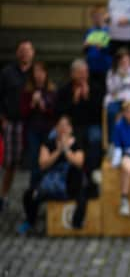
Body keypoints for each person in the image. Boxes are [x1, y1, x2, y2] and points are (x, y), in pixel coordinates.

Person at [20, 115, 87, 234]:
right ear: (56, 128)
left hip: (69, 185)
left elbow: (79, 162)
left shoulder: (77, 143)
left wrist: (66, 150)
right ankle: (31, 221)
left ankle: (77, 222)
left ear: (71, 128)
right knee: (28, 195)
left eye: (66, 126)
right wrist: (58, 151)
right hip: (50, 184)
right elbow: (43, 164)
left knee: (82, 192)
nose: (63, 129)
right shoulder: (48, 143)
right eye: (60, 126)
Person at [56, 59, 103, 198]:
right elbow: (60, 113)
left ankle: (93, 176)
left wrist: (88, 97)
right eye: (80, 73)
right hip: (73, 126)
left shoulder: (95, 88)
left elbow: (99, 113)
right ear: (72, 74)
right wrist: (74, 101)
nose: (83, 75)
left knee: (96, 138)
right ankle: (72, 181)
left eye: (85, 72)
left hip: (92, 124)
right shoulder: (65, 90)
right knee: (73, 141)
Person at [0, 40, 35, 212]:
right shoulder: (7, 73)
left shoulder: (36, 73)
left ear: (33, 54)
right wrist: (2, 118)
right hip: (12, 123)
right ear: (17, 53)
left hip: (31, 123)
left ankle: (30, 198)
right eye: (22, 50)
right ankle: (4, 196)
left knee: (32, 162)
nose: (25, 54)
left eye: (28, 51)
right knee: (10, 164)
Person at [19, 61, 57, 186]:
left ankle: (46, 187)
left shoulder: (52, 90)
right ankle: (34, 190)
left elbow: (55, 113)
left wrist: (43, 106)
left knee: (47, 160)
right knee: (35, 160)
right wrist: (32, 104)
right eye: (36, 72)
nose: (39, 75)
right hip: (33, 130)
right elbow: (23, 113)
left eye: (42, 71)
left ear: (46, 73)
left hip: (48, 130)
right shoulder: (27, 91)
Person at [104, 48, 130, 143]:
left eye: (127, 60)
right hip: (116, 99)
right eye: (122, 60)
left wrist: (125, 78)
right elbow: (111, 89)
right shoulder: (112, 72)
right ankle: (112, 143)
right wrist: (121, 78)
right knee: (112, 112)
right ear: (118, 61)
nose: (125, 62)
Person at [83, 5, 112, 94]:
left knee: (104, 92)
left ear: (104, 16)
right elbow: (85, 50)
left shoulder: (109, 31)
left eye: (99, 16)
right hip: (91, 67)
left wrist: (103, 47)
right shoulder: (90, 31)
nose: (97, 18)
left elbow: (113, 49)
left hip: (105, 67)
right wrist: (86, 46)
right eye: (94, 17)